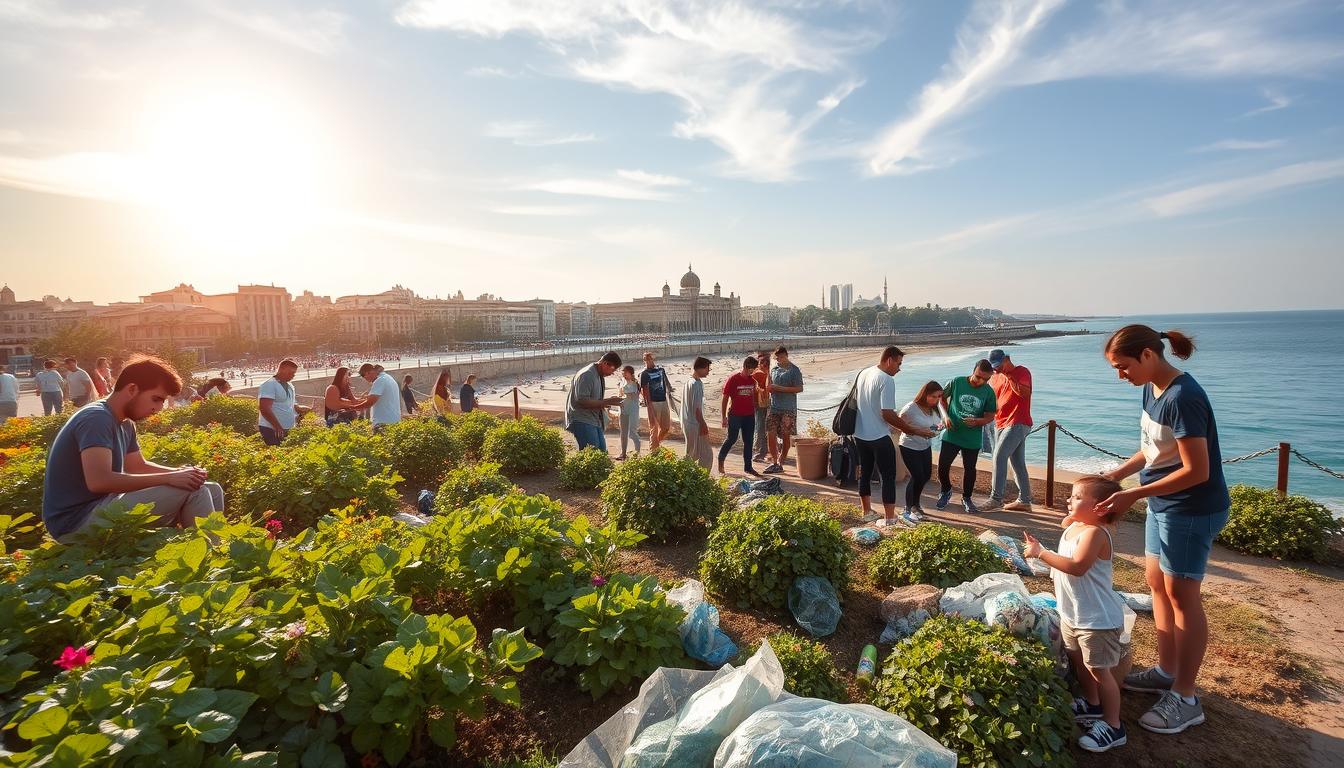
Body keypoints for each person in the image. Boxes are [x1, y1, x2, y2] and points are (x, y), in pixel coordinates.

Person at [1094, 325, 1230, 736]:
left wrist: (1133, 496)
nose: (1121, 375)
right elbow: (1154, 449)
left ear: (1149, 355)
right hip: (1164, 504)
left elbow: (1197, 470)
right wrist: (1119, 473)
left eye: (1123, 367)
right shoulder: (1151, 388)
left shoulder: (1183, 397)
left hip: (1191, 508)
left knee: (1182, 595)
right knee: (1157, 584)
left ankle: (1186, 697)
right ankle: (1168, 670)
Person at [40, 355, 225, 542]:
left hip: (103, 507)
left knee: (211, 488)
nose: (159, 408)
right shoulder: (97, 418)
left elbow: (137, 466)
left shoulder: (124, 422)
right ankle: (209, 561)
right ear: (132, 389)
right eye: (156, 399)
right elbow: (99, 481)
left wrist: (183, 473)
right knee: (195, 491)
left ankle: (213, 549)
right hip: (75, 522)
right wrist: (171, 477)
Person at [1023, 475, 1130, 753]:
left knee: (1099, 670)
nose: (1069, 500)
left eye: (1077, 496)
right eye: (1071, 495)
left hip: (1097, 619)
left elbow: (1077, 566)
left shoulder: (1095, 534)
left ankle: (1113, 724)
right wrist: (1076, 514)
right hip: (1073, 614)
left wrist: (1040, 553)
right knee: (1080, 663)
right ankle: (1093, 706)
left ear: (1101, 507)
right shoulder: (1077, 526)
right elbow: (1066, 523)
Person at [853, 347, 935, 527]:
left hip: (860, 433)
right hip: (879, 436)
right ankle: (890, 517)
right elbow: (887, 414)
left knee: (865, 473)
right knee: (887, 476)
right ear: (889, 360)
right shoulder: (886, 380)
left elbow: (868, 404)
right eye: (898, 364)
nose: (899, 368)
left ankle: (866, 511)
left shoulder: (865, 372)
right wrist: (910, 429)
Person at [936, 359, 997, 514]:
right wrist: (945, 416)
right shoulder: (957, 382)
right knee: (943, 465)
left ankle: (967, 497)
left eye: (986, 379)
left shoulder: (988, 392)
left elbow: (990, 415)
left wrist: (978, 421)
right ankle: (945, 490)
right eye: (978, 377)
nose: (981, 381)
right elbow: (940, 398)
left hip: (972, 437)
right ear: (973, 371)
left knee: (970, 469)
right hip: (952, 432)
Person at [987, 349, 1034, 512]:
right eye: (994, 367)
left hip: (1018, 421)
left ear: (1007, 359)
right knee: (1017, 463)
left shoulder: (1021, 371)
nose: (996, 370)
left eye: (999, 366)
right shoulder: (994, 377)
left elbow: (1024, 394)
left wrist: (1009, 376)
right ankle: (1025, 501)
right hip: (1000, 422)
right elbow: (993, 399)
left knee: (999, 457)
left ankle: (996, 499)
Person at [897, 381, 945, 525]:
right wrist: (918, 431)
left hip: (925, 445)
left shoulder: (934, 408)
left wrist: (937, 429)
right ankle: (908, 507)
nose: (936, 400)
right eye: (934, 396)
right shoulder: (910, 408)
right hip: (909, 446)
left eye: (939, 397)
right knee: (917, 476)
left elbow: (937, 424)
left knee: (925, 475)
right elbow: (898, 425)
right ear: (925, 394)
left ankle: (915, 505)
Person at [564, 352, 623, 452]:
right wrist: (607, 401)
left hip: (593, 420)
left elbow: (595, 400)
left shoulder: (598, 375)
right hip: (582, 420)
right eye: (613, 369)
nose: (612, 373)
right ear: (605, 363)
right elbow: (582, 400)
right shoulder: (587, 374)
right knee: (592, 453)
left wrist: (607, 402)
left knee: (601, 453)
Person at [718, 356, 761, 477]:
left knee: (749, 441)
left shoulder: (752, 381)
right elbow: (725, 398)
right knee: (732, 439)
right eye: (751, 369)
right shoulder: (733, 379)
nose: (752, 372)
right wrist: (723, 417)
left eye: (754, 369)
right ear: (745, 367)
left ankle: (748, 467)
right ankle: (721, 459)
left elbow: (754, 395)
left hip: (749, 415)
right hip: (735, 415)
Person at [763, 346, 803, 474]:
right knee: (770, 433)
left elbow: (799, 388)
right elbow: (768, 385)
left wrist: (780, 388)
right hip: (774, 406)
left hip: (788, 408)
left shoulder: (794, 370)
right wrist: (769, 388)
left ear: (786, 355)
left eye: (781, 357)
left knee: (786, 435)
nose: (779, 359)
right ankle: (774, 462)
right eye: (777, 358)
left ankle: (781, 461)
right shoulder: (774, 369)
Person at [257, 359, 310, 446]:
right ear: (281, 370)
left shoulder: (290, 385)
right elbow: (264, 409)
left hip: (287, 428)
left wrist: (301, 408)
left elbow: (291, 404)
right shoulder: (269, 384)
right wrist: (277, 427)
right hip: (272, 429)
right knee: (277, 455)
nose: (293, 376)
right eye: (290, 373)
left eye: (294, 373)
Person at [681, 356, 712, 469]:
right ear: (700, 368)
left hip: (688, 423)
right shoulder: (696, 384)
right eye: (707, 369)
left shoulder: (689, 382)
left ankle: (686, 475)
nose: (708, 372)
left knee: (693, 453)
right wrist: (703, 424)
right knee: (705, 455)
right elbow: (697, 408)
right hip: (695, 424)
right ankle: (700, 480)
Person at [639, 352, 672, 450]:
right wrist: (649, 406)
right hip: (653, 402)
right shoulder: (644, 374)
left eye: (650, 358)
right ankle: (654, 451)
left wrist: (670, 391)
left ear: (653, 359)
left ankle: (656, 445)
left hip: (663, 401)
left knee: (666, 428)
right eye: (646, 359)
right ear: (644, 361)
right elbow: (644, 391)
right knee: (654, 428)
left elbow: (666, 382)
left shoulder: (661, 370)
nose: (649, 361)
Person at [359, 363, 402, 433]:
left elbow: (369, 403)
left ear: (368, 373)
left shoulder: (380, 381)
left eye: (363, 376)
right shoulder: (387, 377)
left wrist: (352, 407)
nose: (364, 379)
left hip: (383, 422)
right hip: (393, 420)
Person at [617, 365, 642, 460]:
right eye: (622, 372)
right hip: (623, 410)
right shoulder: (622, 382)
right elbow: (620, 395)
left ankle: (637, 455)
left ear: (631, 373)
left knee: (632, 432)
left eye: (625, 372)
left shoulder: (635, 384)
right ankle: (623, 454)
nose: (623, 374)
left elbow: (632, 395)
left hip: (633, 411)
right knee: (623, 433)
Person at [751, 351, 770, 463]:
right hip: (762, 405)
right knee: (762, 428)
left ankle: (761, 452)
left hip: (759, 405)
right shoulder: (761, 374)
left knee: (760, 428)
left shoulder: (757, 374)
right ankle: (762, 452)